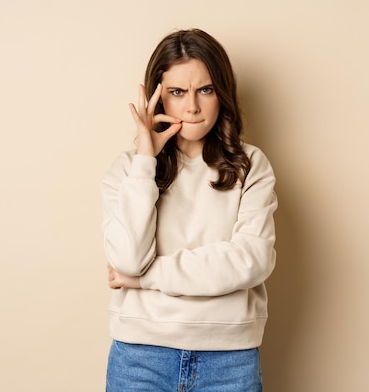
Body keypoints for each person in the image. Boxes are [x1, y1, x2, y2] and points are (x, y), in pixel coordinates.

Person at [100, 28, 277, 392]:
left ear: (222, 93)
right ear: (158, 98)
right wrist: (146, 160)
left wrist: (146, 279)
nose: (192, 106)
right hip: (139, 358)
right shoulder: (127, 171)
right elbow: (128, 261)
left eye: (205, 90)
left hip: (230, 360)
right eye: (177, 92)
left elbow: (251, 260)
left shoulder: (251, 165)